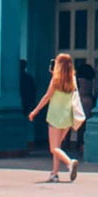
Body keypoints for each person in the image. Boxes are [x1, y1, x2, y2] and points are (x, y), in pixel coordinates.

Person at [28, 52, 82, 183]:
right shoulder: (73, 79)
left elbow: (46, 97)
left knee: (53, 148)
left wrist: (35, 111)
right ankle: (54, 174)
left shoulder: (55, 80)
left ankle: (70, 163)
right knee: (58, 147)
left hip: (55, 117)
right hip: (67, 117)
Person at [19, 58, 41, 152]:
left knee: (21, 125)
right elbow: (33, 91)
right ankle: (24, 144)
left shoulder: (17, 78)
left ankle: (21, 144)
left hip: (20, 104)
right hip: (27, 104)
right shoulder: (29, 78)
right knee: (25, 125)